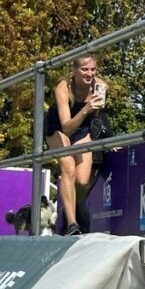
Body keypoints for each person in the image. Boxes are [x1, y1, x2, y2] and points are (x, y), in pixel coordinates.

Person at [45, 53, 110, 236]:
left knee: (82, 180)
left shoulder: (98, 85)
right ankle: (72, 224)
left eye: (92, 69)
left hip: (81, 130)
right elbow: (66, 127)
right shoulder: (64, 87)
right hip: (58, 128)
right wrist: (86, 108)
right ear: (74, 70)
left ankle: (69, 205)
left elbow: (99, 113)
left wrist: (97, 106)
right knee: (69, 168)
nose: (89, 74)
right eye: (84, 70)